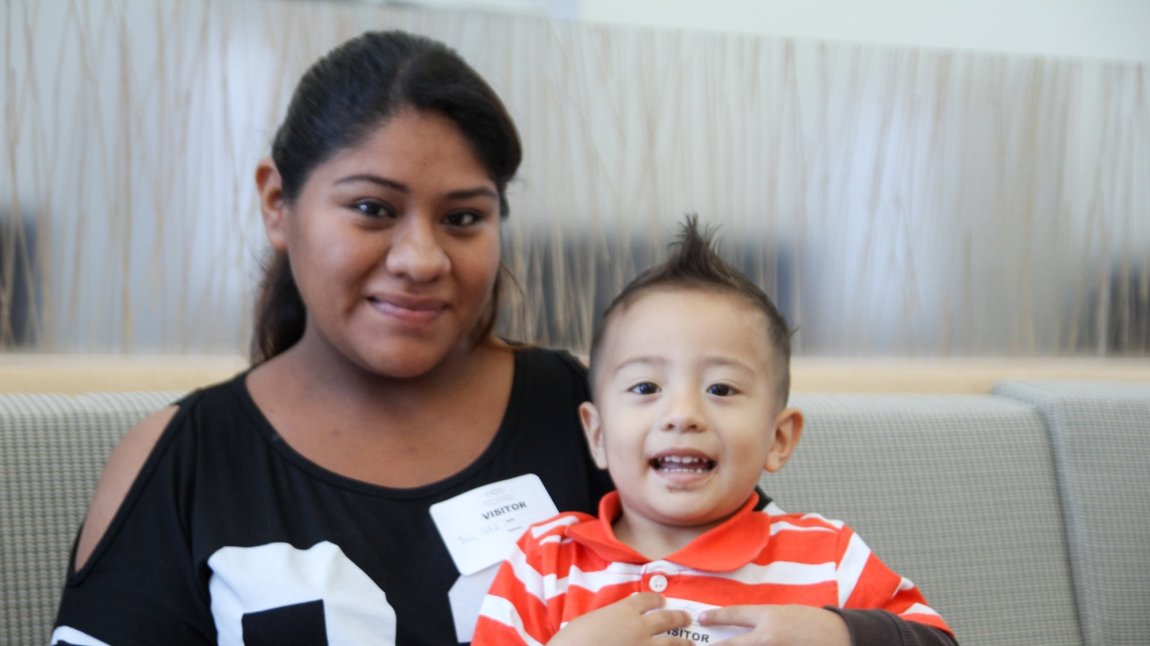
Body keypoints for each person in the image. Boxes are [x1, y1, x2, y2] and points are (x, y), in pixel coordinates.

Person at [51, 30, 640, 645]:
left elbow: (740, 597)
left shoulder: (596, 413)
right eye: (373, 209)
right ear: (278, 203)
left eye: (463, 218)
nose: (421, 259)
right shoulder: (184, 461)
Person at [473, 216, 958, 646]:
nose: (683, 413)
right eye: (646, 386)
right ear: (596, 434)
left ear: (779, 438)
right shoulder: (546, 564)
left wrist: (839, 634)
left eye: (721, 389)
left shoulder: (827, 555)